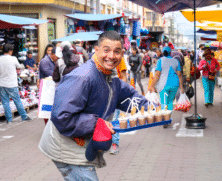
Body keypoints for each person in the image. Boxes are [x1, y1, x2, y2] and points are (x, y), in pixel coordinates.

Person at [39, 31, 150, 181]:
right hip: (66, 148)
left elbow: (128, 97)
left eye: (116, 51)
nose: (111, 56)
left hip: (81, 145)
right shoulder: (82, 76)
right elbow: (62, 116)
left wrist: (154, 108)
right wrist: (97, 123)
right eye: (106, 50)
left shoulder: (109, 75)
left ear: (122, 54)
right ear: (96, 50)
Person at [149, 46, 184, 127]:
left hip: (163, 84)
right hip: (174, 85)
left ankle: (165, 120)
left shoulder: (160, 61)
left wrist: (152, 86)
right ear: (170, 53)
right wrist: (181, 88)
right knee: (170, 102)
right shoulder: (176, 61)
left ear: (162, 52)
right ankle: (168, 119)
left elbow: (157, 74)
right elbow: (180, 75)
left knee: (163, 102)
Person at [0, 44, 32, 123]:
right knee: (17, 100)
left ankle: (9, 119)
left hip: (2, 83)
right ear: (10, 51)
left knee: (5, 102)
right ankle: (24, 116)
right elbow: (19, 66)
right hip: (11, 84)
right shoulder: (13, 58)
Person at [110, 56, 127, 155]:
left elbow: (124, 77)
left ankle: (115, 143)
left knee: (115, 119)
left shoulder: (119, 60)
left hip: (115, 94)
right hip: (101, 93)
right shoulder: (98, 59)